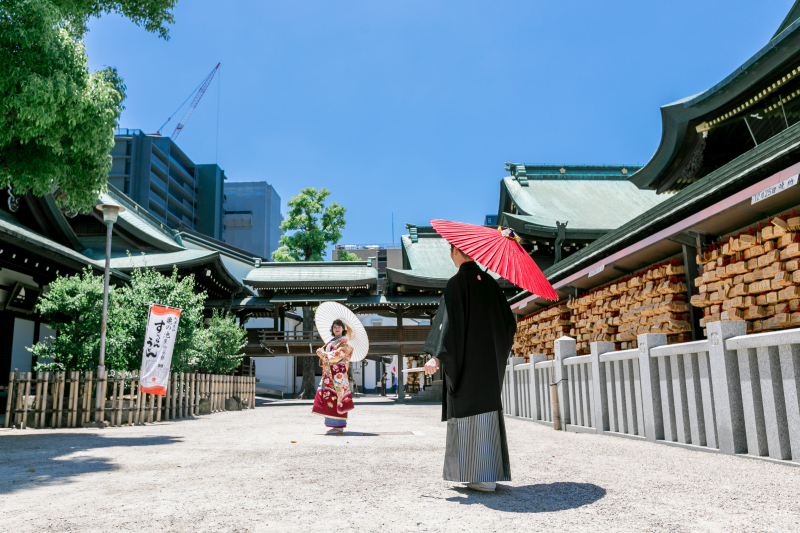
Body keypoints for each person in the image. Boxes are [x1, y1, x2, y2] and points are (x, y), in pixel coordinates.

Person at [423, 244, 517, 492]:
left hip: (468, 362)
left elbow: (447, 324)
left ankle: (480, 476)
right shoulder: (491, 283)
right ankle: (489, 474)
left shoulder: (457, 283)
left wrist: (435, 356)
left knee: (468, 411)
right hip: (489, 363)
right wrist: (496, 351)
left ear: (456, 252)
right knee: (487, 411)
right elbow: (509, 324)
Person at [311, 319, 354, 435]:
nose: (337, 329)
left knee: (337, 399)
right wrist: (322, 355)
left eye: (339, 327)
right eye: (335, 327)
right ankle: (333, 425)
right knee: (328, 398)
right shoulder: (331, 341)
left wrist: (325, 354)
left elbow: (340, 354)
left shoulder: (344, 342)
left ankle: (339, 426)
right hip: (329, 375)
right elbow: (327, 359)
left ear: (343, 329)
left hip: (337, 376)